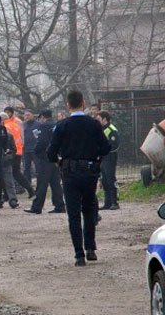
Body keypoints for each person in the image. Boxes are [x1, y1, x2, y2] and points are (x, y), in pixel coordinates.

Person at [47, 91, 111, 266]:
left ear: (68, 104)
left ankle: (79, 255)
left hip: (69, 173)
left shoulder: (62, 126)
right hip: (90, 172)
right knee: (89, 209)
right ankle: (90, 248)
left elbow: (51, 152)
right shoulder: (94, 124)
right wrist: (94, 156)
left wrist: (59, 161)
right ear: (83, 103)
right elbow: (106, 148)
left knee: (73, 214)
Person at [24, 109, 65, 214]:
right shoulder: (57, 125)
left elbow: (41, 142)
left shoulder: (44, 126)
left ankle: (37, 207)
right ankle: (59, 205)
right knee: (55, 183)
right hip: (56, 158)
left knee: (42, 183)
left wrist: (36, 152)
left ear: (42, 117)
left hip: (45, 158)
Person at [3, 106, 36, 198]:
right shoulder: (14, 123)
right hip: (18, 150)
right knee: (15, 173)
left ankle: (7, 195)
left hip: (12, 152)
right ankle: (30, 190)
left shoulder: (8, 125)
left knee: (9, 172)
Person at [97, 111, 120, 210]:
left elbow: (115, 145)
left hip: (110, 157)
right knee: (104, 180)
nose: (97, 120)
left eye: (99, 119)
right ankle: (107, 203)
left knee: (111, 179)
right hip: (102, 158)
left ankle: (115, 202)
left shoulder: (112, 129)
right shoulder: (100, 129)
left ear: (104, 119)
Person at [0, 112, 19, 209]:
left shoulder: (9, 136)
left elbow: (14, 149)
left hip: (6, 162)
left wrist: (10, 154)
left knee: (9, 182)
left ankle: (13, 200)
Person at [23, 109, 41, 183]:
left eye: (28, 115)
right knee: (26, 168)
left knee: (38, 167)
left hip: (35, 149)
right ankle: (28, 185)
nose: (27, 117)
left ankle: (40, 183)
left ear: (32, 115)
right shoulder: (23, 125)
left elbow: (40, 137)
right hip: (26, 150)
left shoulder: (38, 124)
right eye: (25, 115)